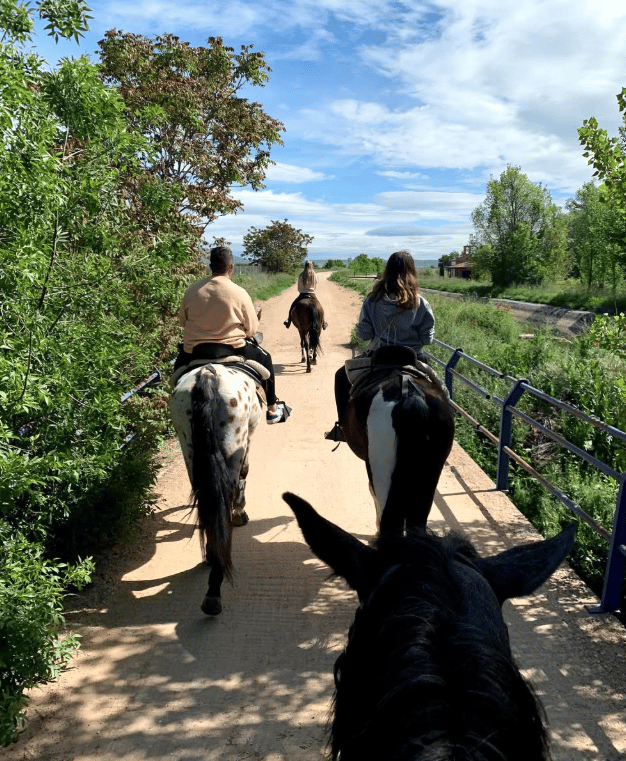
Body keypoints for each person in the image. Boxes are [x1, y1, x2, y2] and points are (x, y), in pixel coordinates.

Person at [325, 250, 434, 440]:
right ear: (412, 272)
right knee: (441, 392)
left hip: (379, 356)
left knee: (341, 377)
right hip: (413, 358)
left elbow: (364, 334)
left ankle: (342, 428)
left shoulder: (372, 300)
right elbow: (427, 339)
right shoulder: (421, 303)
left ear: (387, 271)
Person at [175, 246, 289, 424]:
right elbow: (252, 329)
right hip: (232, 348)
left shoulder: (191, 291)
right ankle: (272, 409)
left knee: (176, 374)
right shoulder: (239, 292)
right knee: (266, 358)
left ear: (210, 266)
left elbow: (183, 321)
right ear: (231, 268)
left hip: (195, 350)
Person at [284, 261, 328, 329]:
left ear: (305, 266)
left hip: (302, 294)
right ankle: (324, 322)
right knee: (320, 307)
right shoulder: (314, 275)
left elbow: (299, 287)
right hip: (312, 293)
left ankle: (288, 320)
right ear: (312, 266)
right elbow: (315, 284)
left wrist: (301, 290)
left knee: (293, 305)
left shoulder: (301, 275)